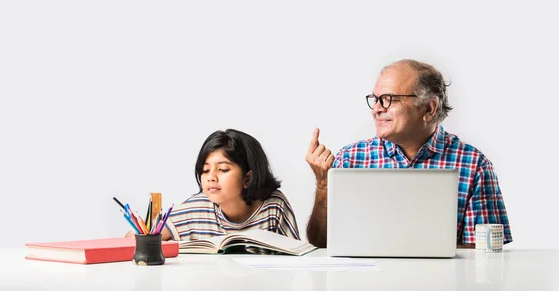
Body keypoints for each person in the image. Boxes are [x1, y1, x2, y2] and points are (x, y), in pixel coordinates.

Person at [305, 59, 512, 248]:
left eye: (388, 99)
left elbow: (484, 254)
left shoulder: (474, 165)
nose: (376, 109)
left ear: (429, 108)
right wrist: (323, 185)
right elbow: (321, 243)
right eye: (375, 99)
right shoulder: (351, 158)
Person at [153, 129, 300, 242]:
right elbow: (137, 238)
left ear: (248, 177)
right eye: (205, 170)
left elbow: (296, 255)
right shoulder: (195, 208)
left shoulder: (274, 206)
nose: (211, 177)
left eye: (223, 169)